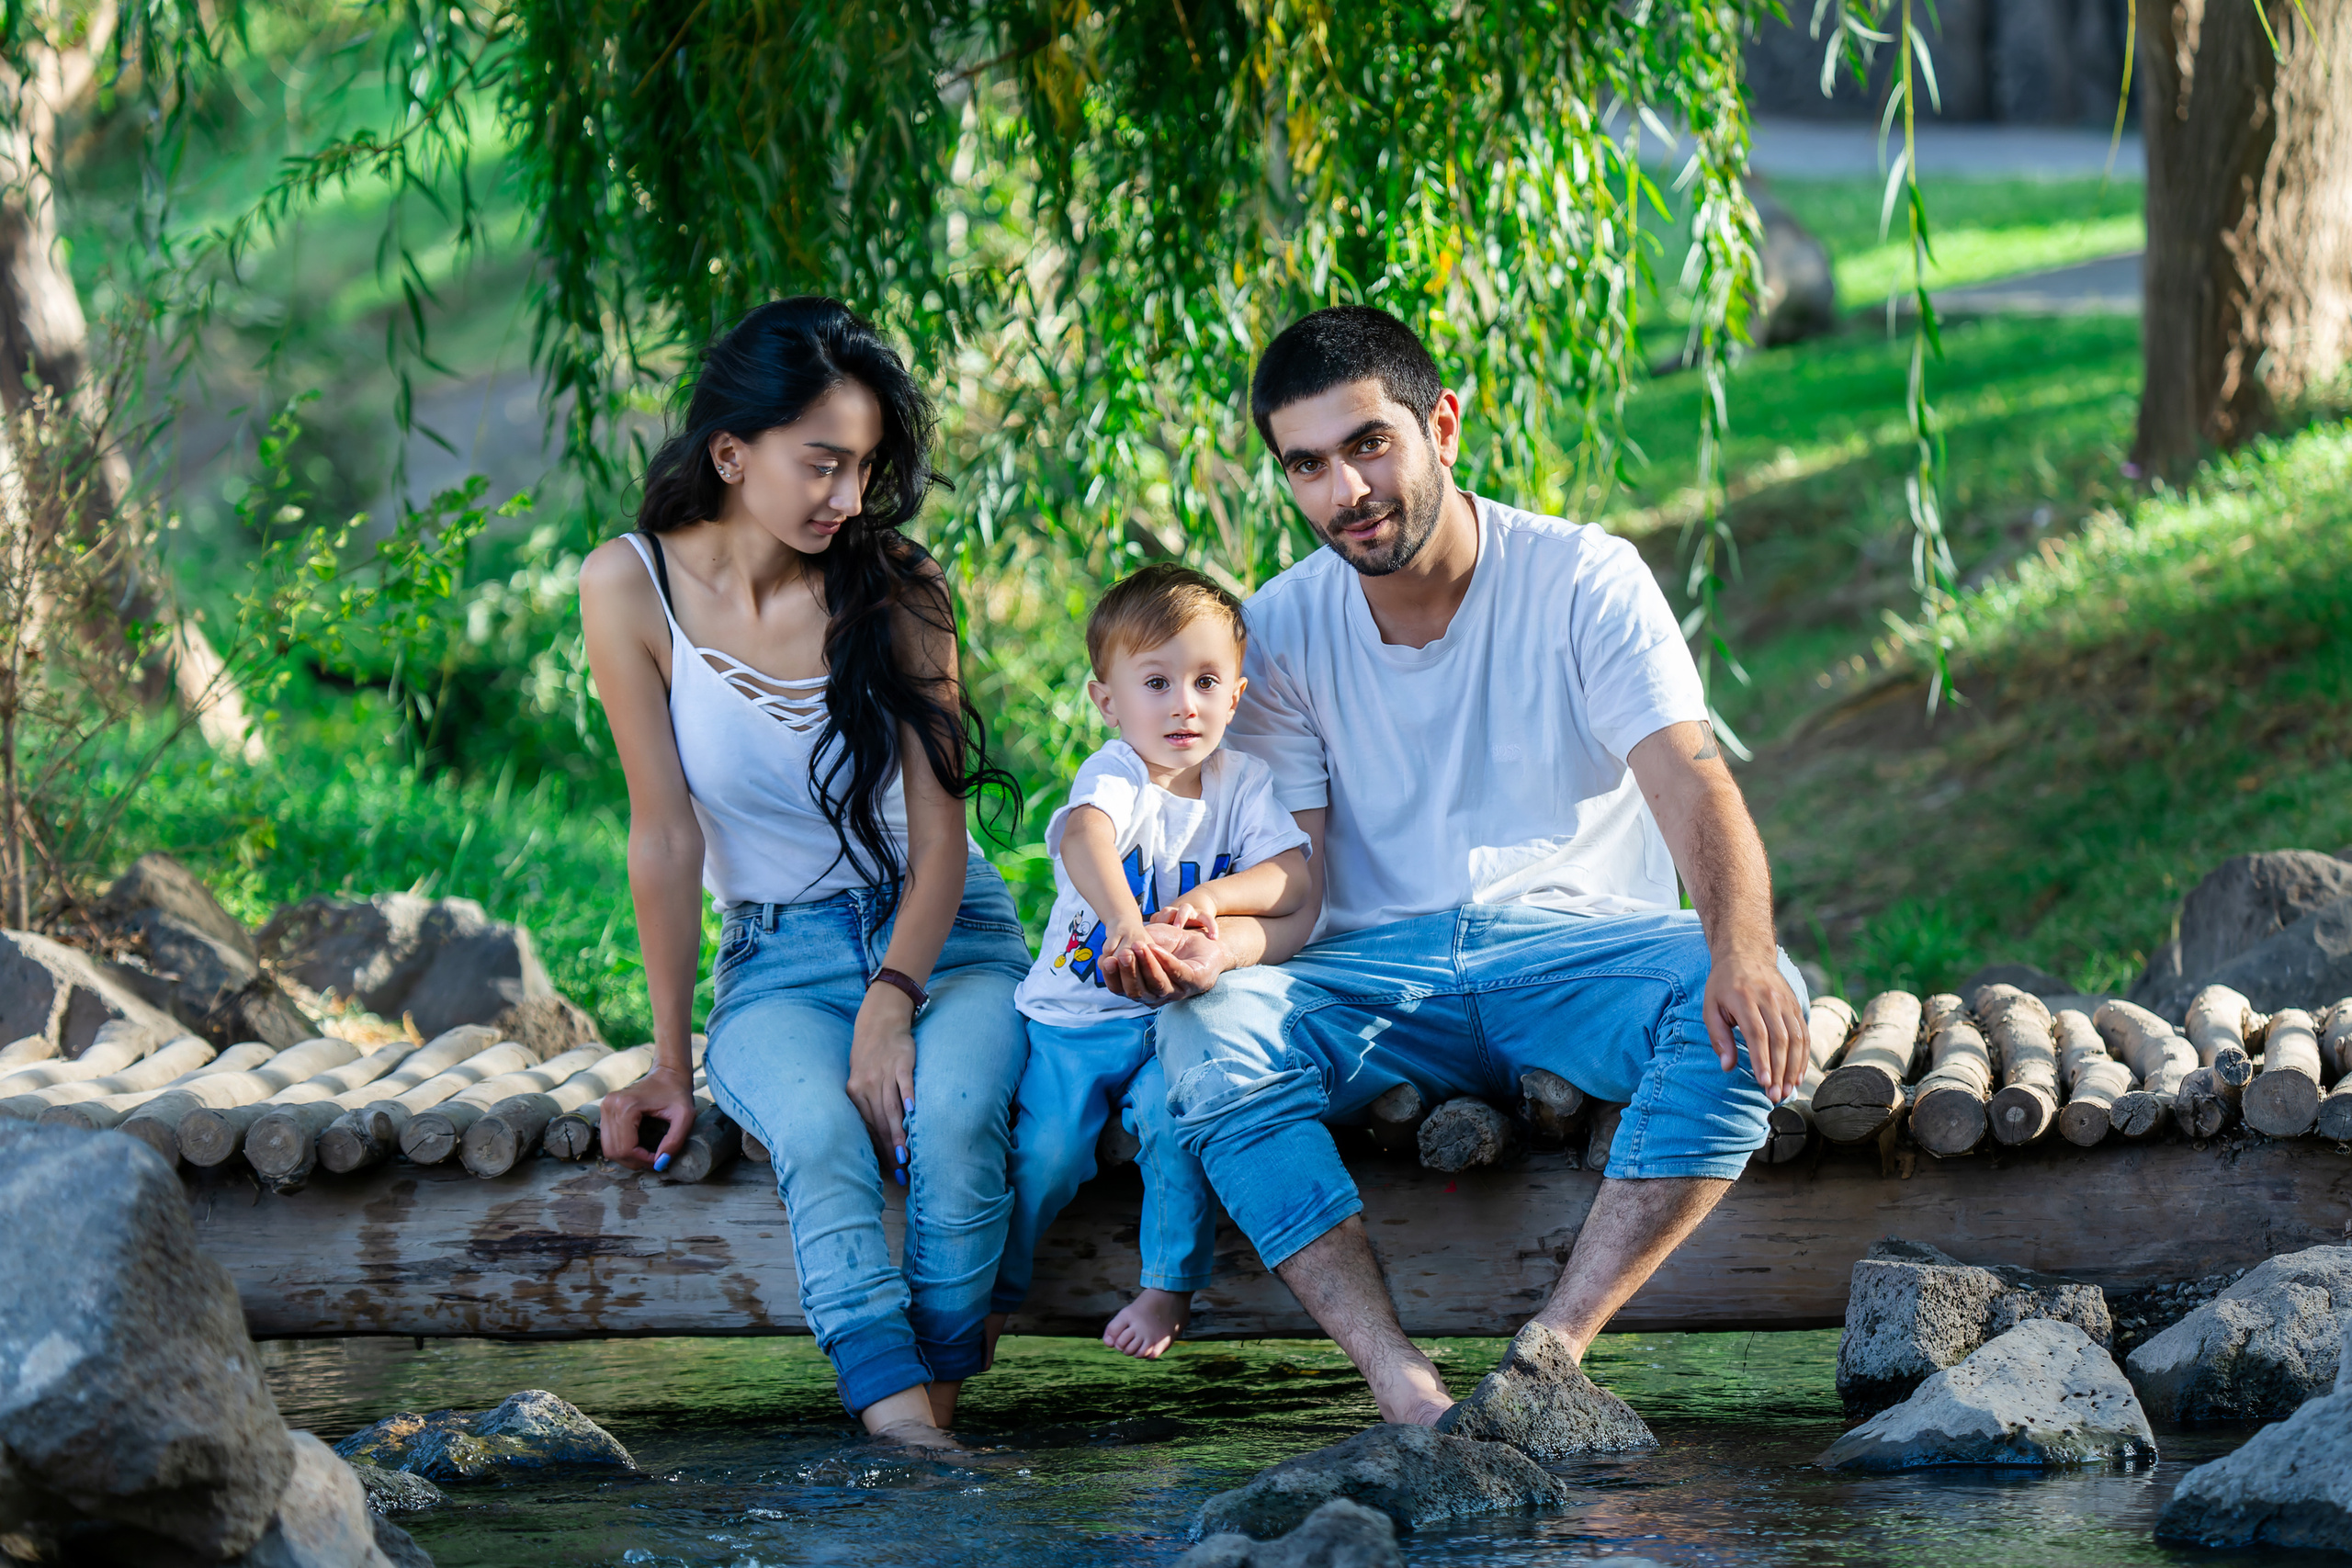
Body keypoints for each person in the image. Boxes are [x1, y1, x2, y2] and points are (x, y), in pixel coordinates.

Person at [1099, 305, 1812, 1427]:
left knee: (1742, 991)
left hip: (1572, 961)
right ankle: (1399, 1380)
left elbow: (1689, 778)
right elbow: (1296, 878)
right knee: (1203, 1030)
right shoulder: (1276, 629)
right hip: (1372, 984)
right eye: (1309, 466)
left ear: (1442, 422)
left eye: (1368, 444)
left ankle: (1553, 1353)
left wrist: (1743, 949)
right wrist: (1212, 949)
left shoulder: (1584, 578)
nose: (1345, 491)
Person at [582, 298, 1032, 1450]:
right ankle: (922, 1446)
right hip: (774, 961)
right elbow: (665, 837)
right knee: (824, 1141)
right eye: (821, 465)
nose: (846, 498)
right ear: (731, 453)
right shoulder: (629, 587)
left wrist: (892, 1005)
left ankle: (917, 1437)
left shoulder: (899, 587)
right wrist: (669, 1063)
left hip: (946, 941)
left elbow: (941, 840)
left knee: (956, 1112)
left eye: (864, 467)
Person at [989, 565, 1313, 1359]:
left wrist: (1218, 900)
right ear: (1109, 701)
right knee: (1047, 1150)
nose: (1184, 705)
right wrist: (1127, 927)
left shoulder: (1245, 784)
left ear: (1236, 696)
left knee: (1176, 1129)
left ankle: (1168, 1285)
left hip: (1172, 1023)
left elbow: (1294, 877)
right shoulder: (1117, 773)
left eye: (1207, 682)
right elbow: (1085, 837)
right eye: (1157, 682)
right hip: (1077, 1020)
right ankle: (996, 1294)